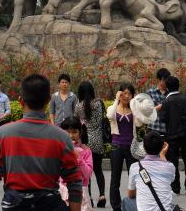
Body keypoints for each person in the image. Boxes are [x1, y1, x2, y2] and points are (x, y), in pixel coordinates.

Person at [0, 73, 82, 211]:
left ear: (21, 101)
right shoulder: (61, 137)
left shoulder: (4, 133)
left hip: (14, 205)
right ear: (49, 100)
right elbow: (74, 181)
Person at [122, 130, 181, 211]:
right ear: (161, 147)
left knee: (126, 201)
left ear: (144, 147)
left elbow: (131, 194)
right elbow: (171, 180)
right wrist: (162, 155)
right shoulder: (170, 167)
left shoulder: (135, 167)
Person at [107, 83, 142, 211]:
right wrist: (116, 99)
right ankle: (116, 207)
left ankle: (133, 205)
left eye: (129, 94)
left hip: (131, 147)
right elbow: (109, 116)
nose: (126, 96)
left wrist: (136, 107)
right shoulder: (113, 108)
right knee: (115, 178)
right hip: (116, 146)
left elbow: (138, 124)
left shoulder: (133, 110)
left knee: (134, 177)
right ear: (119, 93)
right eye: (124, 93)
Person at [75, 80, 106, 208]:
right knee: (98, 170)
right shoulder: (99, 103)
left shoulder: (78, 106)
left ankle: (90, 199)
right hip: (98, 140)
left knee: (86, 171)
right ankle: (102, 195)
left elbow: (77, 123)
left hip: (86, 142)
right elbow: (102, 120)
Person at [161, 75, 186, 195]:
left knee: (173, 162)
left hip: (171, 135)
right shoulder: (185, 99)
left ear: (168, 87)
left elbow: (163, 119)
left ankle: (175, 187)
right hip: (185, 135)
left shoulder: (166, 101)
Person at [60, 116, 93, 210]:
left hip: (81, 192)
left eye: (74, 132)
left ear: (80, 133)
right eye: (67, 132)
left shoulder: (86, 151)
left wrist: (78, 158)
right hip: (62, 192)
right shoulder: (59, 150)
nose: (71, 135)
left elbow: (87, 174)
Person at [147, 68, 170, 134]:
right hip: (153, 128)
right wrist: (157, 108)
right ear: (158, 80)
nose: (166, 82)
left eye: (167, 80)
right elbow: (146, 111)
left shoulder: (170, 93)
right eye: (164, 80)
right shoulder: (150, 92)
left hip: (167, 129)